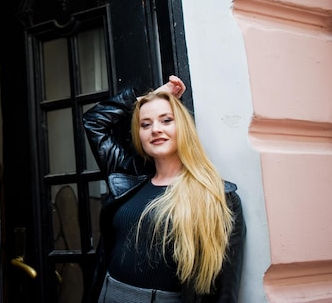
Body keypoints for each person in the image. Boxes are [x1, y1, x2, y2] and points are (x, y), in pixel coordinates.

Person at [83, 76, 245, 303]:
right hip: (108, 295)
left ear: (184, 128)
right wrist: (148, 99)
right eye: (145, 124)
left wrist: (152, 105)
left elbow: (225, 291)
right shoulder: (129, 177)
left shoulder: (218, 196)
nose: (155, 130)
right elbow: (94, 121)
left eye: (166, 120)